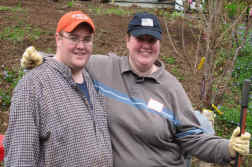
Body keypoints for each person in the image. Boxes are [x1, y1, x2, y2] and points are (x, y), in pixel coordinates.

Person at [20, 12, 251, 167]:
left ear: (159, 44)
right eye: (140, 38)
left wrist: (227, 148)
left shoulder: (171, 89)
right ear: (128, 40)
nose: (146, 45)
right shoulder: (103, 68)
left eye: (153, 40)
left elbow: (193, 139)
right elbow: (73, 56)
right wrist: (42, 59)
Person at [3, 11, 113, 167]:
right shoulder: (33, 86)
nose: (81, 46)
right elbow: (20, 156)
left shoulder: (91, 80)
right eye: (73, 38)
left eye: (87, 39)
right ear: (58, 39)